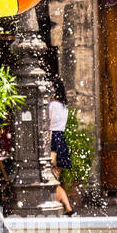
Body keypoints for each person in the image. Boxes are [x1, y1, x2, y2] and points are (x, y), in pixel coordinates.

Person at [48, 78, 74, 215]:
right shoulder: (64, 106)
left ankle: (68, 209)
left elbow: (49, 125)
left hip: (53, 142)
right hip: (61, 141)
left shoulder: (52, 106)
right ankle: (65, 209)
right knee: (55, 179)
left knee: (53, 181)